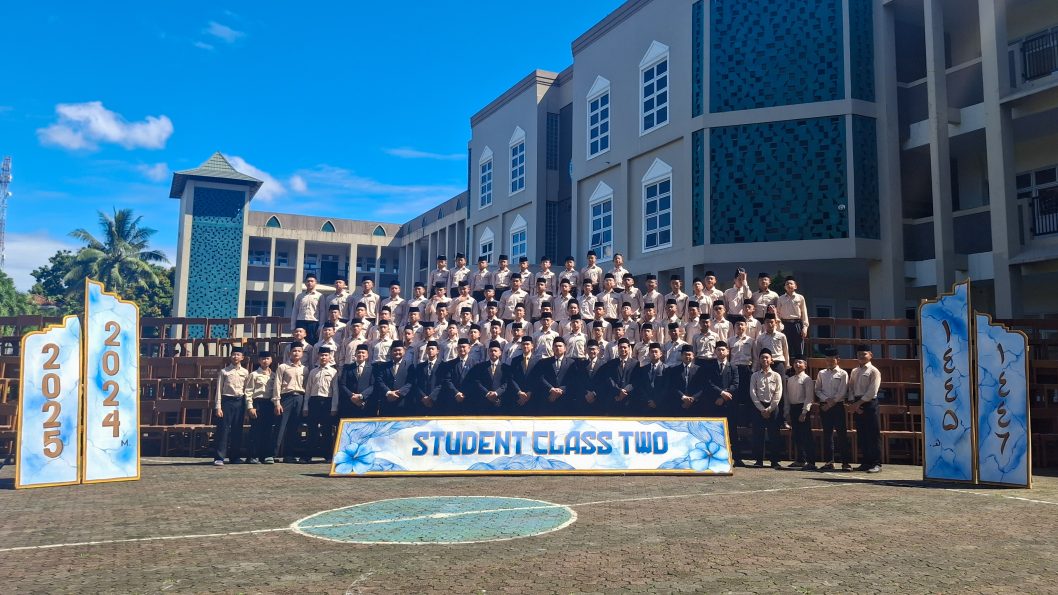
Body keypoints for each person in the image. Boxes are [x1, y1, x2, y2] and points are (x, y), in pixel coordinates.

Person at [815, 348, 852, 471]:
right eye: (828, 360)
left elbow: (842, 392)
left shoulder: (843, 373)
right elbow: (817, 390)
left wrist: (831, 403)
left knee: (842, 434)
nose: (830, 362)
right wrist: (826, 399)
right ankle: (829, 461)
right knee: (827, 434)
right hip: (824, 406)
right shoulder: (821, 373)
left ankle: (845, 462)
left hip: (837, 406)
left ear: (837, 360)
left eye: (832, 360)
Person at [706, 341, 742, 466]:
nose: (721, 352)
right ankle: (715, 458)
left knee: (732, 431)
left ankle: (736, 458)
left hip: (729, 403)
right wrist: (721, 393)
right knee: (715, 431)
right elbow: (709, 383)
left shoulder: (733, 367)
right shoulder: (710, 367)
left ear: (727, 351)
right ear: (715, 352)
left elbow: (735, 384)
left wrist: (725, 395)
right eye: (718, 350)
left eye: (723, 350)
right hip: (714, 403)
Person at [213, 347, 249, 466]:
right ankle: (219, 457)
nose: (235, 357)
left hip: (240, 401)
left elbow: (247, 390)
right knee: (223, 430)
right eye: (233, 354)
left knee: (237, 430)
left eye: (238, 355)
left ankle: (235, 456)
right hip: (226, 401)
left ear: (242, 357)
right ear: (230, 356)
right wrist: (218, 407)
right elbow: (219, 390)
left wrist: (247, 407)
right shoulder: (224, 372)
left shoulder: (245, 372)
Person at [302, 346, 339, 463]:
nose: (323, 357)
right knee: (312, 429)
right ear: (318, 356)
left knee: (326, 430)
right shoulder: (313, 371)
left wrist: (334, 407)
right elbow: (308, 390)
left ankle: (327, 456)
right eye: (321, 355)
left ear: (329, 357)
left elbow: (335, 391)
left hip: (327, 402)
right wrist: (306, 406)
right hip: (314, 401)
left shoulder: (333, 372)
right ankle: (308, 456)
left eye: (326, 355)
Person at [849, 345, 882, 473]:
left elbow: (872, 391)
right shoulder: (854, 371)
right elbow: (851, 388)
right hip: (857, 403)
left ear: (870, 355)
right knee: (862, 435)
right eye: (859, 354)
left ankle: (876, 463)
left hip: (869, 404)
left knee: (873, 434)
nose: (861, 357)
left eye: (864, 354)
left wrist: (859, 403)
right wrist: (854, 403)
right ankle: (866, 462)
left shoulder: (874, 371)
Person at [749, 349, 783, 468]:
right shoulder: (755, 375)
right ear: (759, 360)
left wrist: (770, 409)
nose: (765, 359)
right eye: (762, 357)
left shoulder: (776, 375)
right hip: (758, 407)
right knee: (758, 434)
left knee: (774, 434)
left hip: (773, 407)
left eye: (767, 357)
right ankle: (759, 460)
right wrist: (761, 408)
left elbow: (778, 393)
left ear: (771, 360)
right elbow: (753, 393)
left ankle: (775, 461)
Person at [245, 351, 280, 464]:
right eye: (263, 359)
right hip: (257, 403)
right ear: (259, 360)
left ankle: (266, 455)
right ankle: (253, 456)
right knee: (256, 431)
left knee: (268, 430)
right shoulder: (254, 375)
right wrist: (250, 407)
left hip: (269, 404)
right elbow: (249, 392)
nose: (265, 361)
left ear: (271, 360)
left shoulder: (274, 375)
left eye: (267, 358)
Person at [275, 343, 308, 463]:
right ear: (289, 353)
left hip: (299, 397)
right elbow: (277, 384)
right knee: (280, 426)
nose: (296, 353)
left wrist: (305, 404)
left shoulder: (305, 369)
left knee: (294, 427)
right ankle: (273, 454)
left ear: (302, 353)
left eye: (299, 351)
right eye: (294, 351)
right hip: (286, 398)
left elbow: (306, 386)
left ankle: (289, 454)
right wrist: (277, 402)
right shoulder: (283, 367)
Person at [785, 357, 817, 470]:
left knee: (806, 435)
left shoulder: (807, 379)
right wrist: (787, 412)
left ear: (805, 365)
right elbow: (787, 397)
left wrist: (804, 412)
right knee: (796, 435)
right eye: (795, 362)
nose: (797, 364)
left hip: (802, 408)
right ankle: (800, 459)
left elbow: (809, 397)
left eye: (800, 362)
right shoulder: (790, 380)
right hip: (793, 408)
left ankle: (811, 461)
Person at [538, 337, 578, 415]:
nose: (558, 348)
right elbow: (541, 378)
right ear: (552, 348)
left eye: (560, 346)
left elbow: (574, 379)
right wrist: (551, 389)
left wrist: (561, 390)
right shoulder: (544, 362)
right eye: (555, 346)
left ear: (565, 348)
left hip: (565, 400)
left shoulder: (571, 363)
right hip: (549, 398)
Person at [337, 344, 376, 419]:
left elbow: (373, 385)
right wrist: (351, 396)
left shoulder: (372, 368)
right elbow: (342, 384)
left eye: (363, 353)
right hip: (349, 403)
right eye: (358, 352)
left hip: (365, 403)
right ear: (355, 354)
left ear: (367, 355)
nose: (360, 354)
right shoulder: (347, 368)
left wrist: (361, 396)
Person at [776, 276, 810, 361]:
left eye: (791, 283)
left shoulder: (800, 298)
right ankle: (787, 368)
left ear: (795, 286)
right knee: (785, 348)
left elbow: (804, 313)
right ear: (785, 287)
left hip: (797, 324)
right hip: (785, 325)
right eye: (787, 284)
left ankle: (800, 367)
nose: (789, 285)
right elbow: (778, 314)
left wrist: (805, 327)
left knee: (799, 348)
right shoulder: (780, 298)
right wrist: (779, 326)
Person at [377, 342, 414, 416]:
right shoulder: (384, 366)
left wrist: (399, 393)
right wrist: (388, 392)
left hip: (403, 403)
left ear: (404, 351)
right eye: (395, 350)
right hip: (387, 402)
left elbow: (411, 382)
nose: (397, 352)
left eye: (399, 350)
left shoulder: (410, 365)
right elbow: (380, 380)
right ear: (391, 352)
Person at [473, 341, 511, 414]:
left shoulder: (505, 368)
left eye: (495, 351)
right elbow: (477, 381)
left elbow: (506, 383)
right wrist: (487, 393)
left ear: (500, 353)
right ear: (488, 352)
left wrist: (496, 393)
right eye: (491, 351)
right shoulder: (480, 367)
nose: (493, 353)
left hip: (499, 401)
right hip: (484, 402)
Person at [669, 345, 703, 417]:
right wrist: (683, 397)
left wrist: (693, 398)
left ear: (693, 356)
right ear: (681, 356)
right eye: (685, 354)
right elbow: (673, 386)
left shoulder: (699, 370)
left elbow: (702, 387)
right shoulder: (674, 370)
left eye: (689, 354)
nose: (687, 356)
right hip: (679, 404)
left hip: (695, 405)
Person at [445, 338, 477, 415]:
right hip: (454, 398)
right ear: (457, 349)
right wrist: (457, 393)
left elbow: (476, 381)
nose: (462, 349)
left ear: (469, 348)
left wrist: (464, 393)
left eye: (464, 347)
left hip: (469, 398)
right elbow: (447, 380)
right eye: (459, 347)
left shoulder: (475, 364)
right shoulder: (450, 364)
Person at [509, 335, 540, 414]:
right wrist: (519, 392)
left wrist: (530, 393)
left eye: (527, 344)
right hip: (518, 397)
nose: (525, 346)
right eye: (523, 344)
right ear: (521, 346)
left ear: (532, 346)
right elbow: (512, 378)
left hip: (533, 397)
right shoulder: (515, 360)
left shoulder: (538, 361)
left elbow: (539, 378)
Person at [634, 342, 667, 414]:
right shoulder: (643, 369)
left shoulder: (666, 369)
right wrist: (648, 400)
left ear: (661, 354)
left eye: (656, 352)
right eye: (652, 352)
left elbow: (666, 387)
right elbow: (641, 386)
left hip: (661, 405)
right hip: (646, 404)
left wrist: (656, 401)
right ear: (649, 354)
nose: (654, 354)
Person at [608, 338, 638, 415]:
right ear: (618, 349)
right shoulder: (611, 363)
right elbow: (610, 379)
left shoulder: (635, 363)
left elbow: (636, 380)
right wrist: (618, 391)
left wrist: (624, 392)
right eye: (620, 347)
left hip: (630, 399)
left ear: (629, 348)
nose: (623, 349)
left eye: (625, 347)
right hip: (615, 398)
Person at [415, 341, 446, 415]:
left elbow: (442, 383)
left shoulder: (443, 366)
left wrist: (431, 397)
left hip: (437, 400)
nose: (430, 351)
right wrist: (423, 397)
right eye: (428, 349)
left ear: (437, 351)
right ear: (426, 351)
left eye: (432, 349)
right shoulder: (420, 366)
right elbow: (416, 383)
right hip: (422, 401)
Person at [291, 275, 323, 344]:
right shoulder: (300, 296)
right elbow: (295, 311)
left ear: (316, 283)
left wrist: (321, 326)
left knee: (312, 343)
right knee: (299, 343)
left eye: (312, 281)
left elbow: (322, 311)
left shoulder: (320, 296)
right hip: (301, 322)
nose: (309, 283)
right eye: (308, 281)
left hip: (313, 323)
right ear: (305, 283)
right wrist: (293, 326)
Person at [582, 340, 611, 415]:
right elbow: (579, 382)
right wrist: (586, 393)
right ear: (586, 350)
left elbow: (605, 382)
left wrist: (594, 393)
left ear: (598, 350)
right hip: (584, 400)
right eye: (589, 349)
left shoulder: (604, 364)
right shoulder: (581, 364)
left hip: (599, 400)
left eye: (594, 349)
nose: (592, 351)